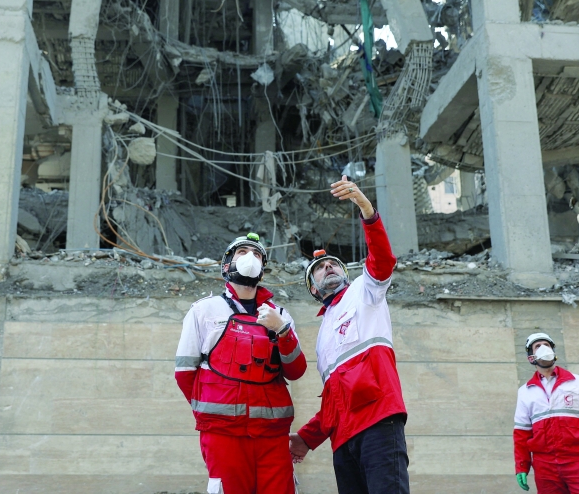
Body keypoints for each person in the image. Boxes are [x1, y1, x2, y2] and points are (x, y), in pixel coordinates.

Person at [288, 175, 409, 494]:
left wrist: (366, 209)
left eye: (334, 266)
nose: (328, 268)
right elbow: (333, 397)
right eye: (320, 269)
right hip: (343, 438)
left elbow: (382, 260)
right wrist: (308, 438)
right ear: (313, 288)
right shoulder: (323, 334)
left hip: (379, 421)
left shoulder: (365, 291)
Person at [175, 232, 307, 494]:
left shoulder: (279, 315)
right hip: (223, 435)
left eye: (257, 254)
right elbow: (184, 373)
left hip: (272, 435)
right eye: (242, 252)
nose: (251, 258)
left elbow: (296, 370)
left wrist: (282, 331)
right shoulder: (203, 311)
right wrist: (213, 413)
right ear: (227, 264)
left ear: (262, 269)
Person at [514, 332, 579, 493]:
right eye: (538, 346)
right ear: (531, 356)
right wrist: (522, 466)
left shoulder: (578, 383)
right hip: (545, 466)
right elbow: (521, 435)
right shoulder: (525, 391)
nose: (543, 348)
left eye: (547, 345)